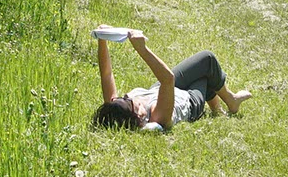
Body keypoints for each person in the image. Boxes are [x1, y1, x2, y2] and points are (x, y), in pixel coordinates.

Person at [91, 25, 252, 132]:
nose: (129, 97)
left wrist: (102, 39)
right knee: (207, 63)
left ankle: (218, 110)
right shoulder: (157, 116)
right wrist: (142, 49)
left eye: (125, 97)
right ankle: (231, 102)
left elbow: (106, 74)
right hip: (189, 100)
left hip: (166, 89)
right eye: (132, 102)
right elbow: (168, 79)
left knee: (205, 65)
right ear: (139, 117)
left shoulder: (117, 109)